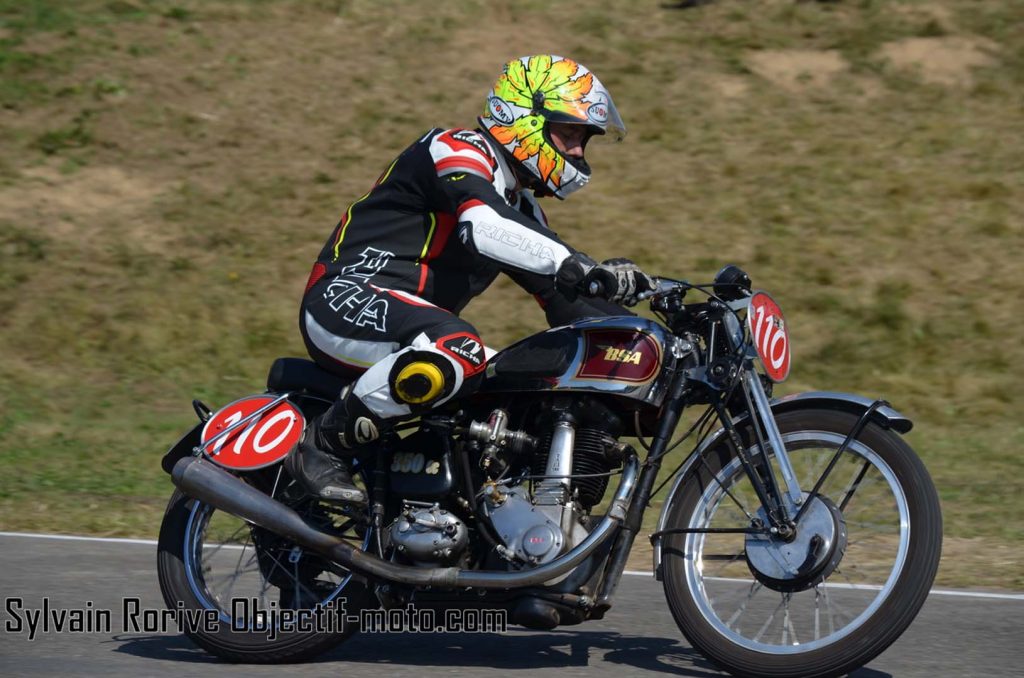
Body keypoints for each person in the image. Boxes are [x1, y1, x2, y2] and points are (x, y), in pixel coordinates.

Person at [287, 54, 653, 505]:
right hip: (344, 298)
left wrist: (655, 341)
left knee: (537, 386)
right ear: (523, 118)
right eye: (570, 134)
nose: (577, 151)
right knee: (457, 348)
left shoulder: (518, 208)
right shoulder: (455, 148)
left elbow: (564, 298)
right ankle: (322, 445)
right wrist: (579, 264)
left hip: (414, 325)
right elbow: (482, 225)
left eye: (583, 140)